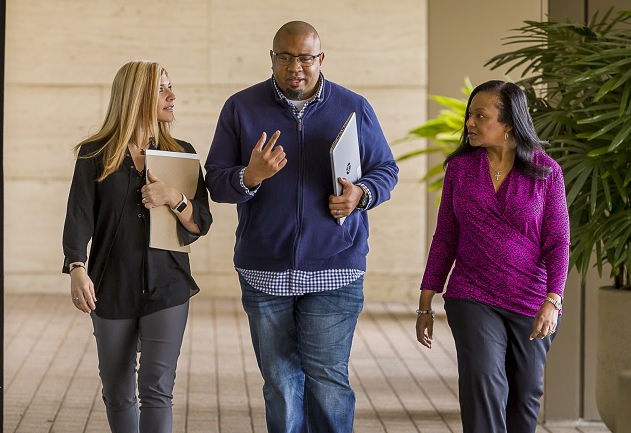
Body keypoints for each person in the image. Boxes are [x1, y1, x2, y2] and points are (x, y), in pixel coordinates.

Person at [204, 21, 398, 433]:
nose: (296, 66)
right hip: (265, 270)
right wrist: (250, 176)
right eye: (286, 57)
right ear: (272, 58)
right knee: (280, 383)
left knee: (327, 381)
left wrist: (360, 194)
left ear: (320, 59)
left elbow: (386, 170)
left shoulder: (353, 106)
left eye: (305, 57)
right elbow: (216, 180)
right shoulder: (240, 108)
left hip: (336, 267)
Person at [62, 60, 212, 433]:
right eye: (162, 89)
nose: (172, 95)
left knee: (157, 390)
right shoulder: (95, 154)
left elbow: (200, 223)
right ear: (137, 96)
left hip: (169, 285)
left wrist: (174, 197)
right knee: (117, 392)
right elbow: (79, 216)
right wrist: (77, 269)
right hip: (111, 285)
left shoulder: (182, 153)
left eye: (169, 87)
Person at [415, 80, 570, 433]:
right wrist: (426, 302)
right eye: (470, 114)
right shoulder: (460, 170)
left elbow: (559, 241)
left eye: (480, 116)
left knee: (526, 395)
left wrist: (553, 300)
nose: (469, 122)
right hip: (472, 293)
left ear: (509, 124)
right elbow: (446, 237)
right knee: (483, 381)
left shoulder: (546, 173)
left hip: (531, 299)